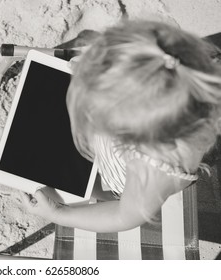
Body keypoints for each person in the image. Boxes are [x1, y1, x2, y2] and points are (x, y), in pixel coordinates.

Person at [21, 20, 221, 232]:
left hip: (119, 179)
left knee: (78, 182)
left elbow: (123, 216)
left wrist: (58, 214)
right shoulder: (179, 68)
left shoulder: (154, 171)